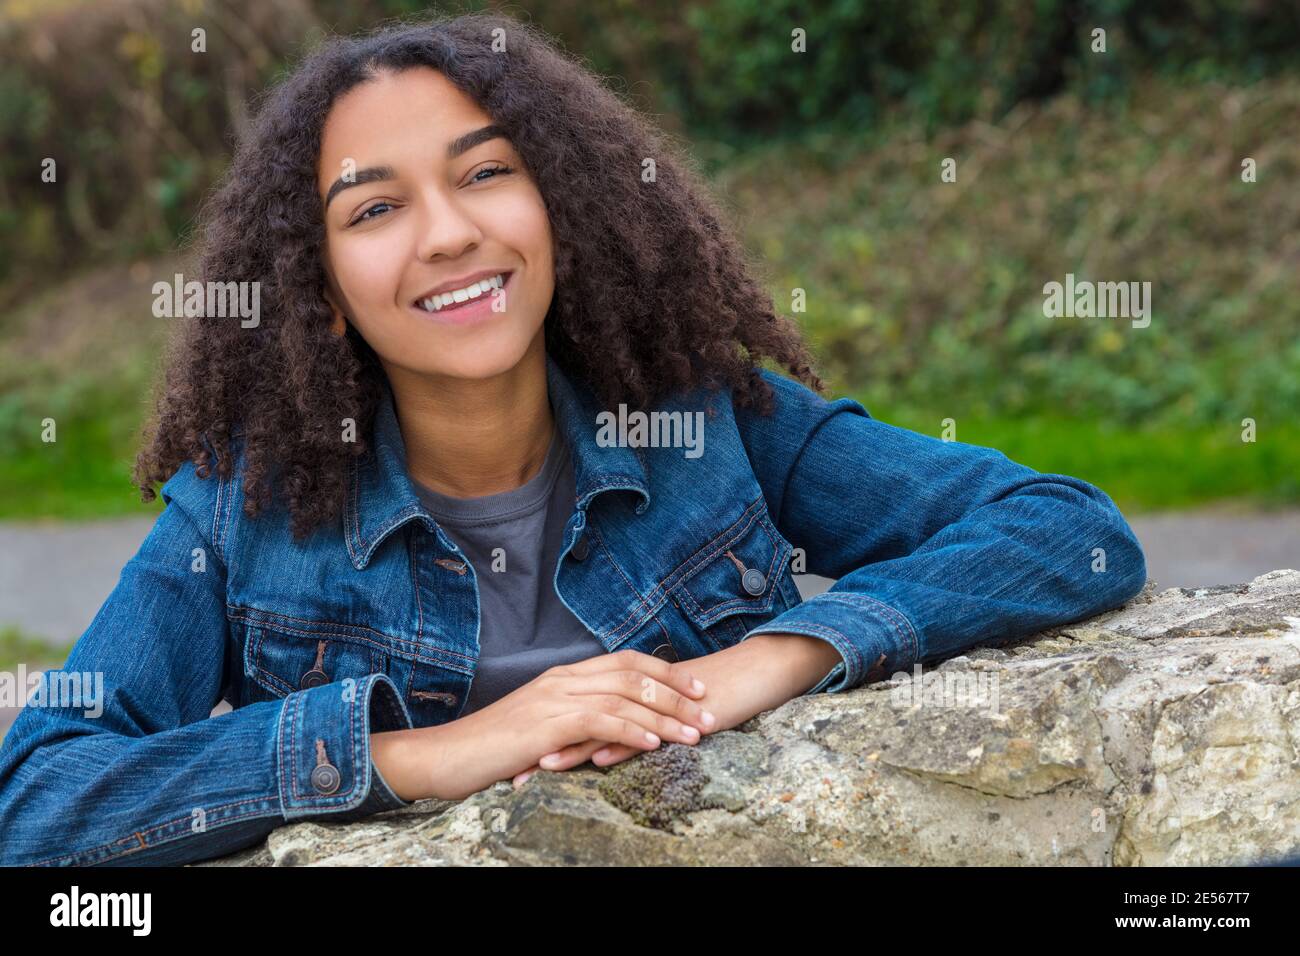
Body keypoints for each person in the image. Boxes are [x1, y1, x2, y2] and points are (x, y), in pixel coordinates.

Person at [0, 12, 1147, 866]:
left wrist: (756, 664)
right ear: (323, 290)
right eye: (375, 208)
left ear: (560, 205)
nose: (450, 234)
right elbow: (36, 797)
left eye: (486, 173)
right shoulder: (241, 508)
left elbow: (1070, 533)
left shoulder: (704, 418)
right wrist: (435, 752)